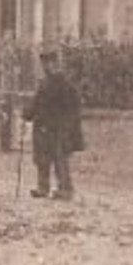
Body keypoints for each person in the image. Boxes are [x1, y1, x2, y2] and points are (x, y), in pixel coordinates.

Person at [23, 48, 84, 201]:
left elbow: (73, 106)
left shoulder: (62, 83)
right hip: (46, 127)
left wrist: (67, 125)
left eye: (49, 63)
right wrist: (28, 113)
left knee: (59, 158)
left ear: (56, 64)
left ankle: (65, 189)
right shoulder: (47, 83)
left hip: (57, 128)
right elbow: (37, 103)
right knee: (43, 158)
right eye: (44, 64)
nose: (46, 67)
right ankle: (43, 187)